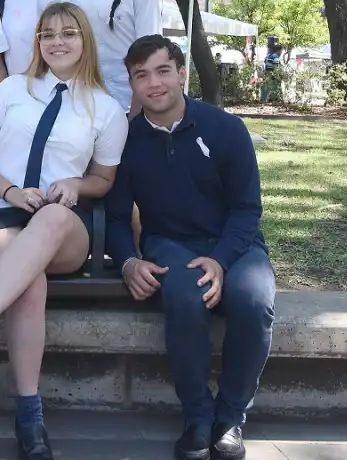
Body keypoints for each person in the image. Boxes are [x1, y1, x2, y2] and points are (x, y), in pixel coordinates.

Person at [0, 2, 129, 460]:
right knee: (28, 285)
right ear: (37, 43)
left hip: (61, 228)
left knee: (51, 220)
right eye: (47, 34)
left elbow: (104, 179)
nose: (57, 41)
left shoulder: (107, 109)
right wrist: (11, 190)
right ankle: (29, 415)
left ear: (85, 41)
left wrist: (75, 183)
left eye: (68, 33)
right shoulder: (13, 90)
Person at [106, 35, 275, 460]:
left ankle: (231, 417)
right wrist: (127, 260)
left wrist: (220, 261)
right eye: (141, 76)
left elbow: (247, 208)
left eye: (163, 71)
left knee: (253, 299)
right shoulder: (125, 140)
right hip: (170, 244)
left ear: (182, 73)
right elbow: (114, 217)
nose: (154, 84)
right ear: (132, 84)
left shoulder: (225, 128)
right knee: (183, 296)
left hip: (235, 243)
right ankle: (198, 417)